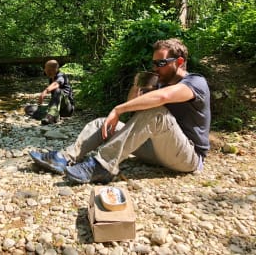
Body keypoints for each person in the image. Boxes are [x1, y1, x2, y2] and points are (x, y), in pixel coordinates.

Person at [29, 38, 210, 184]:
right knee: (102, 123)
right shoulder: (160, 82)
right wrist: (137, 85)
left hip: (187, 157)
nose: (155, 68)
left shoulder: (196, 83)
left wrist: (118, 109)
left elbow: (162, 98)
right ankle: (64, 158)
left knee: (156, 112)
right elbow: (134, 105)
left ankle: (102, 166)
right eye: (154, 63)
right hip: (156, 150)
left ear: (179, 62)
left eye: (161, 63)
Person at [32, 59, 74, 125]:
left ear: (50, 70)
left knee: (58, 90)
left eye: (45, 68)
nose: (44, 70)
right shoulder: (51, 78)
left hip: (67, 109)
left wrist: (45, 92)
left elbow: (56, 84)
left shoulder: (61, 76)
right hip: (57, 108)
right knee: (30, 109)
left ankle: (51, 117)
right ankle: (52, 115)